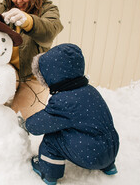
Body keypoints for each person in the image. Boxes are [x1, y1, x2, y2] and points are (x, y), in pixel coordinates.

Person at [25, 43, 119, 185]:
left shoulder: (63, 101)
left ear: (52, 76)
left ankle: (48, 173)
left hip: (91, 156)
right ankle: (108, 166)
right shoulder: (90, 90)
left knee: (52, 137)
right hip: (112, 148)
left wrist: (26, 123)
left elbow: (39, 125)